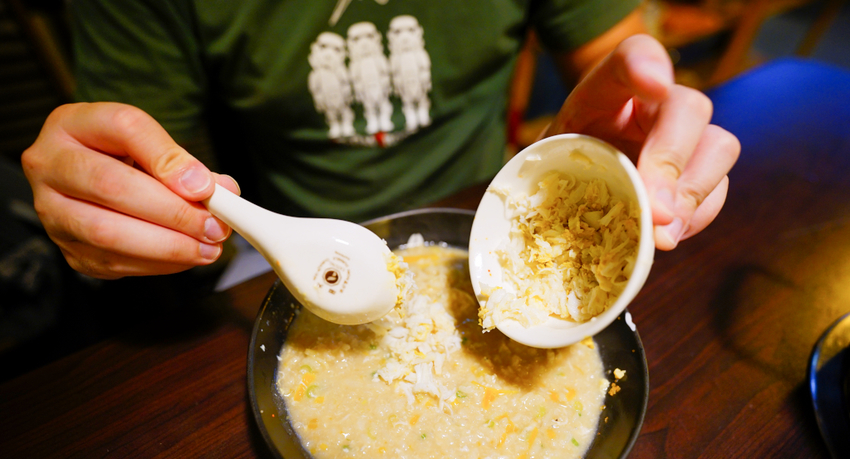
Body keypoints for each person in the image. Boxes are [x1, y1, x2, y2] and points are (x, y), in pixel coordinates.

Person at [21, 0, 740, 281]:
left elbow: (623, 61)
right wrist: (107, 207)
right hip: (279, 249)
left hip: (495, 221)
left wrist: (656, 136)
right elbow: (135, 165)